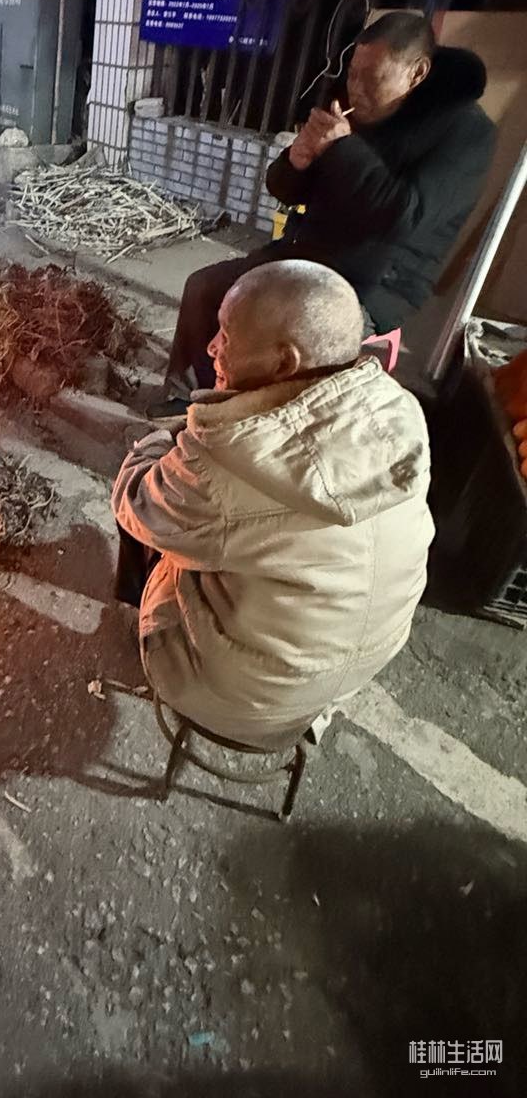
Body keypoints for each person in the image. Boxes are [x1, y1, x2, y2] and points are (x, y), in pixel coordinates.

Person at [114, 260, 433, 750]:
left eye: (226, 334)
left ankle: (143, 627)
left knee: (155, 523)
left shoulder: (225, 460)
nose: (211, 347)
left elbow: (135, 499)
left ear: (285, 362)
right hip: (345, 676)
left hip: (246, 698)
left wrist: (160, 441)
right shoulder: (396, 407)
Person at [166, 12, 496, 394]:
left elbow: (404, 215)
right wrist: (296, 161)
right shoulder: (351, 109)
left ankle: (250, 413)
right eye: (353, 74)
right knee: (205, 287)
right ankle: (191, 397)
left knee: (276, 331)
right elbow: (287, 190)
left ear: (416, 73)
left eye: (372, 78)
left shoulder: (464, 131)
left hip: (373, 283)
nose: (356, 89)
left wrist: (342, 148)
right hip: (305, 256)